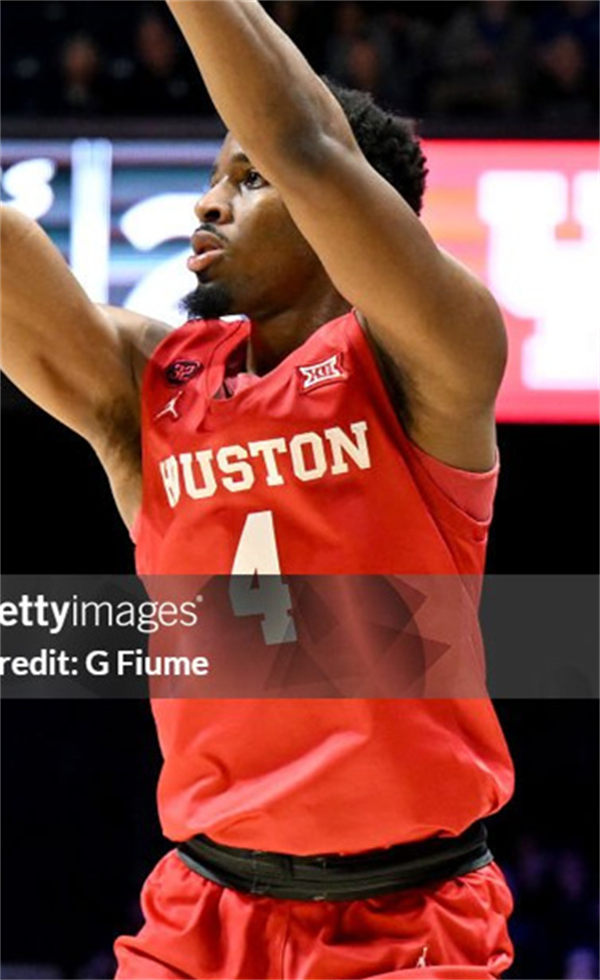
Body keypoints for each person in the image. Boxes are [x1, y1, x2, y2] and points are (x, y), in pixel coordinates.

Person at [0, 1, 515, 977]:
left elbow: (311, 145)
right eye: (210, 176)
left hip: (409, 919)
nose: (207, 203)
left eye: (246, 180)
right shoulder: (149, 383)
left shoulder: (430, 357)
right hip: (203, 911)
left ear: (342, 223)